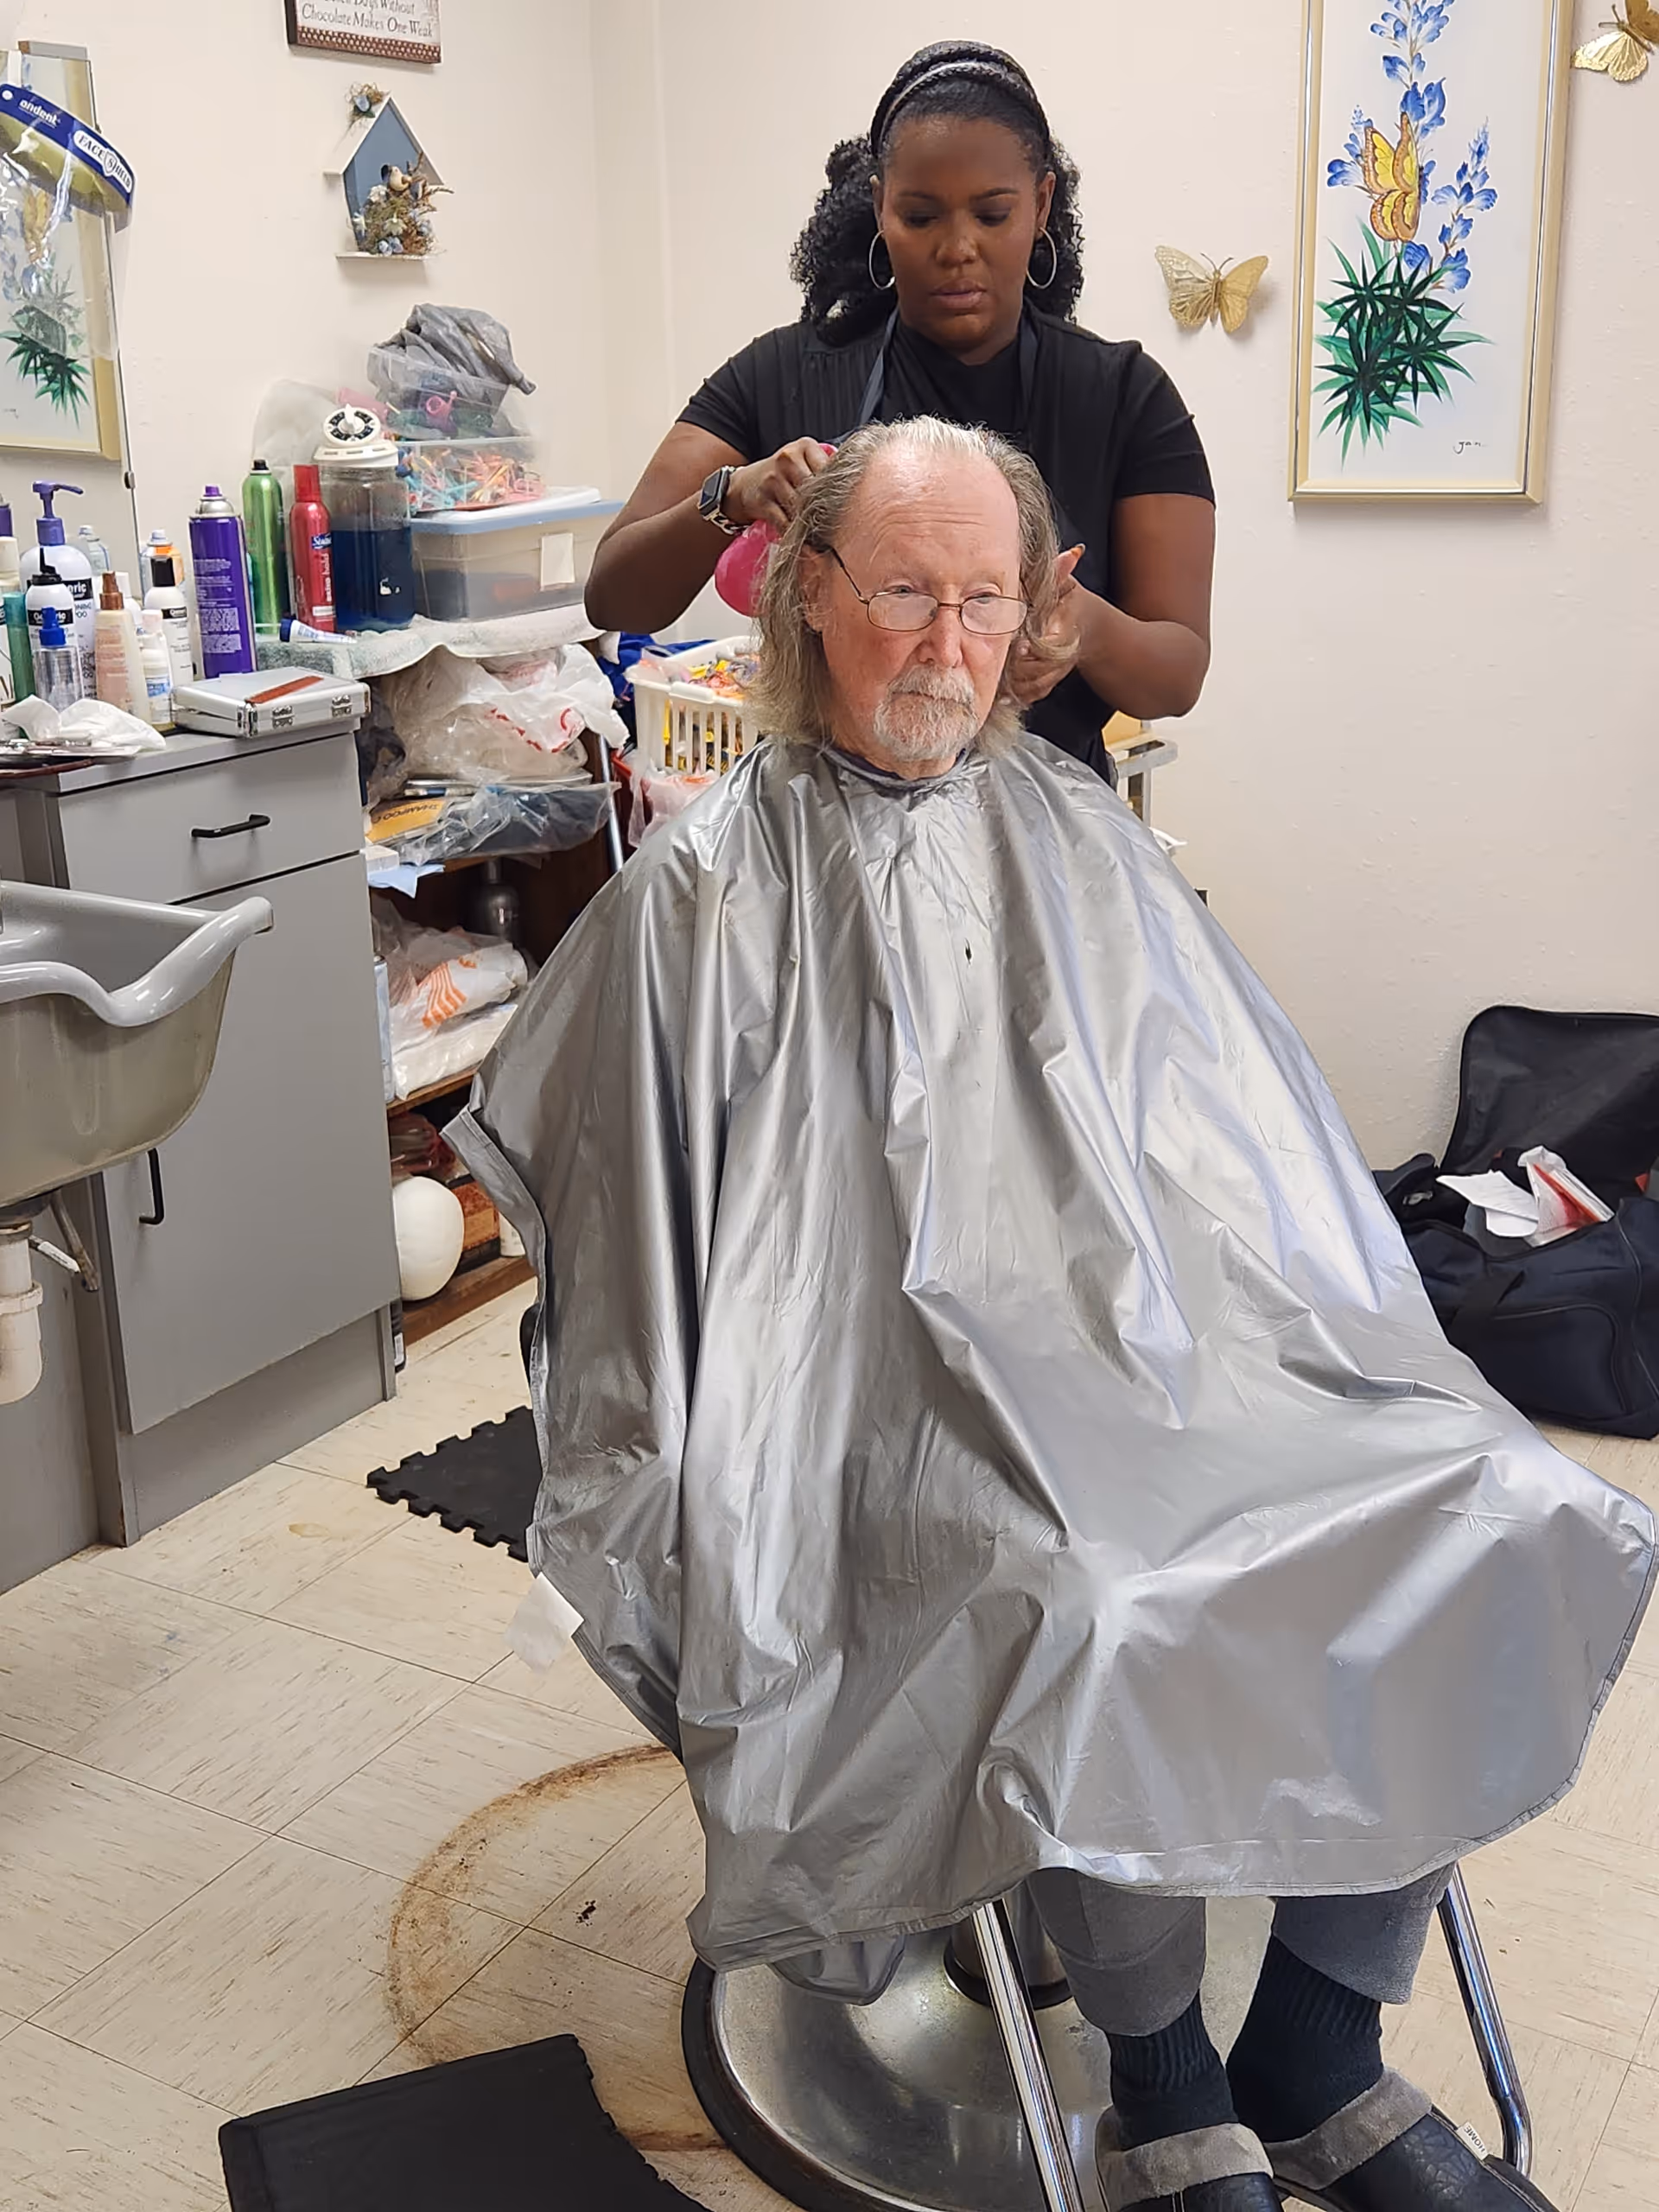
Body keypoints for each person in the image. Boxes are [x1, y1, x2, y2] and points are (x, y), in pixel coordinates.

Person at [456, 423, 1651, 2212]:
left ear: (1033, 619)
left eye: (983, 599)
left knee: (1497, 1497)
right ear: (806, 597)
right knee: (1091, 1599)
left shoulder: (1080, 835)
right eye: (901, 593)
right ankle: (1167, 2092)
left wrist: (1285, 1338)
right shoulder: (702, 898)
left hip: (1163, 1346)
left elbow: (1243, 1159)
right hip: (867, 1406)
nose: (944, 643)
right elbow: (644, 1275)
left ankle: (1320, 2054)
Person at [586, 40, 1215, 784]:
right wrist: (732, 497)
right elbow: (613, 595)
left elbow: (1177, 677)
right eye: (920, 216)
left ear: (1041, 205)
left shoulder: (1124, 397)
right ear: (880, 205)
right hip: (822, 826)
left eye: (993, 214)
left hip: (1040, 825)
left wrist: (1083, 626)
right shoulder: (784, 375)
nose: (958, 248)